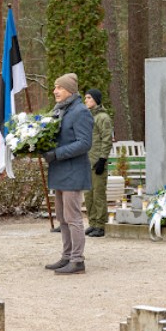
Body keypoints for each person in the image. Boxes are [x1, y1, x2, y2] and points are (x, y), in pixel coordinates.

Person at [43, 73, 93, 275]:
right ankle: (66, 256)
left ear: (70, 91)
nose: (55, 91)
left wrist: (57, 153)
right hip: (60, 170)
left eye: (59, 88)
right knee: (62, 218)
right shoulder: (59, 111)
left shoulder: (80, 112)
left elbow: (84, 143)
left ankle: (78, 260)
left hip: (73, 171)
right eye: (55, 87)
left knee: (73, 218)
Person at [83, 89, 114, 236]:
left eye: (88, 98)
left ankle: (101, 225)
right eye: (85, 98)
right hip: (86, 162)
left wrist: (102, 159)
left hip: (97, 162)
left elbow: (107, 140)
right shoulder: (87, 117)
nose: (86, 100)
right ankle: (93, 222)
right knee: (88, 195)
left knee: (98, 194)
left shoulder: (103, 118)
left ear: (95, 99)